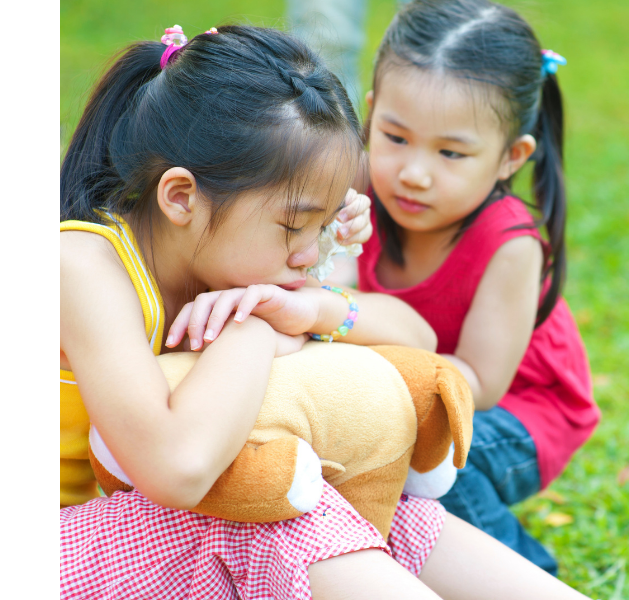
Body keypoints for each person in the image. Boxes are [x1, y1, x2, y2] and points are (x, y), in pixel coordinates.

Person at [59, 23, 589, 600]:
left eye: (321, 225)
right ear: (182, 197)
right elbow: (178, 469)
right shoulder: (82, 266)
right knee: (269, 516)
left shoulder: (234, 258)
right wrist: (256, 329)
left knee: (375, 500)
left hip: (122, 538)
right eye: (294, 226)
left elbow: (419, 339)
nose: (310, 253)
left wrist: (309, 308)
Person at [353, 0, 601, 577]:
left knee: (427, 452)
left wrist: (368, 370)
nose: (414, 172)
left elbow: (481, 386)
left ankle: (523, 569)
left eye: (450, 153)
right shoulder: (359, 186)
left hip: (524, 413)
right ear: (371, 114)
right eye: (394, 137)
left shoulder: (509, 243)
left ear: (509, 158)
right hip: (417, 388)